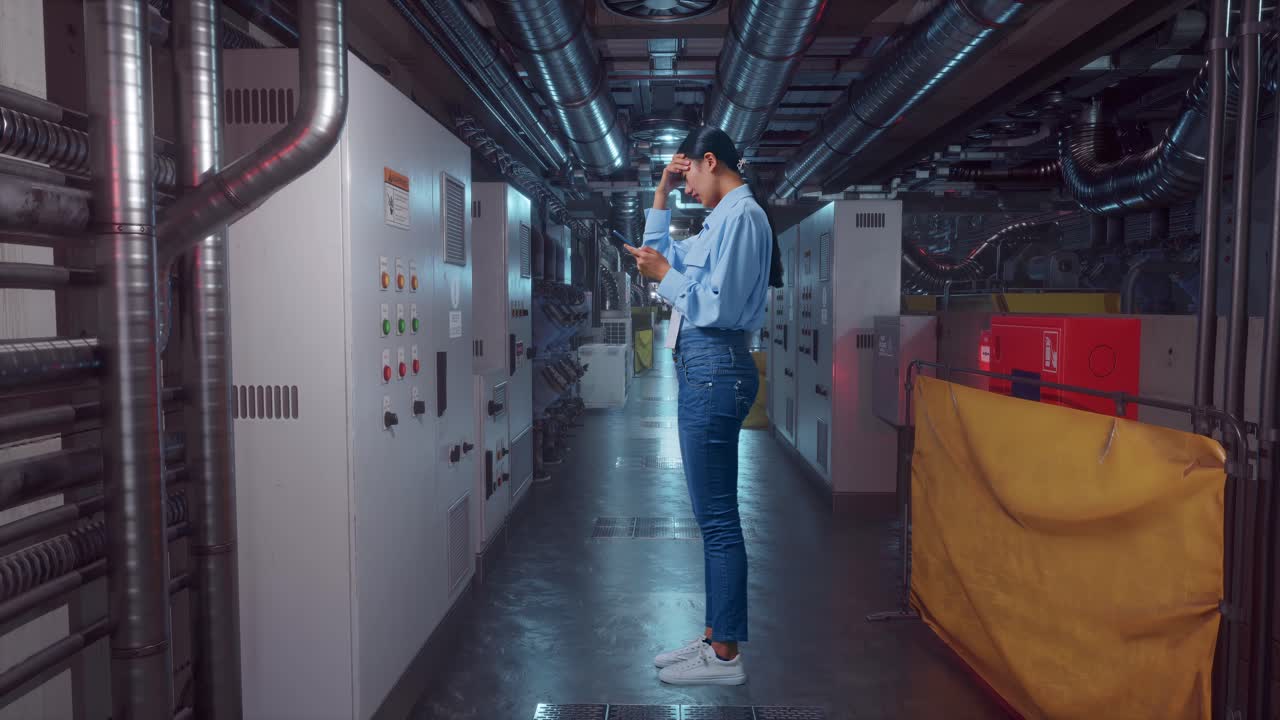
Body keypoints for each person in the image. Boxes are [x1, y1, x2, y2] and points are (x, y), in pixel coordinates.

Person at [623, 126, 784, 687]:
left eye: (688, 174)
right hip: (704, 368)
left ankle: (724, 657)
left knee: (717, 521)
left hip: (714, 367)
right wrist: (661, 192)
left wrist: (664, 276)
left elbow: (713, 305)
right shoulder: (723, 221)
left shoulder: (743, 218)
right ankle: (718, 637)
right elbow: (665, 256)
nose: (688, 186)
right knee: (711, 518)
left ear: (710, 161)